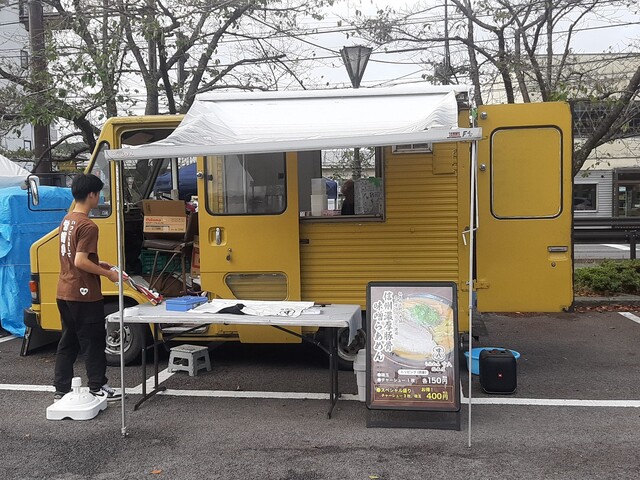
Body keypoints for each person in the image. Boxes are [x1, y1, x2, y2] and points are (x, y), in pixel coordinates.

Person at [53, 173, 122, 403]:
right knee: (93, 342)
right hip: (84, 293)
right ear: (92, 194)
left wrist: (98, 263)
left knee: (68, 341)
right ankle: (98, 386)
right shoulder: (88, 225)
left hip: (64, 290)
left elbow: (75, 255)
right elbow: (80, 261)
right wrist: (108, 274)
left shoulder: (67, 220)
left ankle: (61, 389)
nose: (99, 197)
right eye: (99, 193)